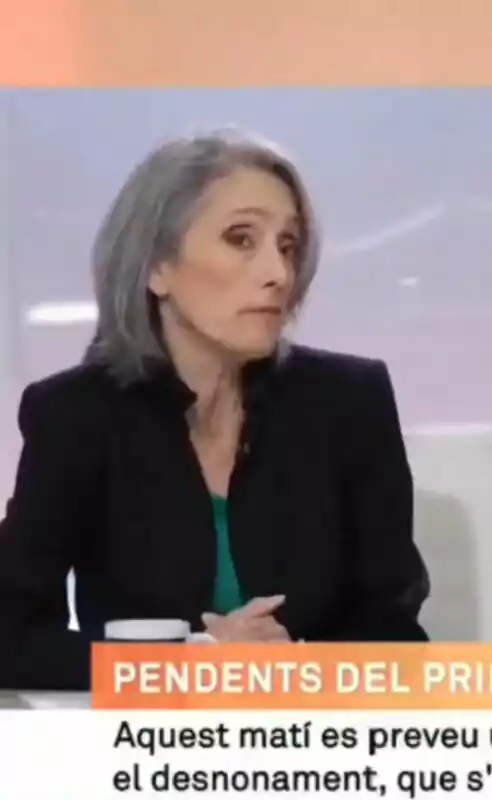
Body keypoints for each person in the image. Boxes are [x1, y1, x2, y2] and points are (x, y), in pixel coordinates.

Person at [0, 129, 430, 691]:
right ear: (158, 267)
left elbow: (394, 633)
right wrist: (194, 666)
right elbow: (12, 634)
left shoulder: (350, 400)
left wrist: (300, 665)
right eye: (241, 239)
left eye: (288, 245)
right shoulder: (75, 416)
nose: (278, 272)